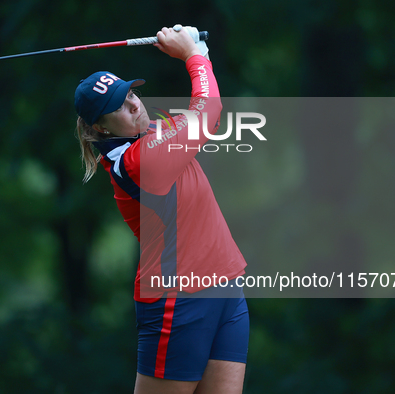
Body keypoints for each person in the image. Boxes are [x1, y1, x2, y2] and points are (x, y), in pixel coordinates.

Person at [74, 25, 249, 394]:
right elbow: (208, 110)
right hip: (178, 300)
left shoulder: (151, 133)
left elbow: (204, 110)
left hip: (225, 286)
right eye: (118, 107)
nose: (134, 104)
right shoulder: (139, 161)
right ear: (101, 129)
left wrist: (197, 46)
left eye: (130, 94)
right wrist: (192, 55)